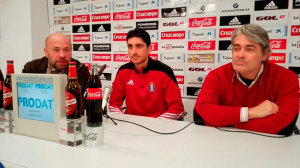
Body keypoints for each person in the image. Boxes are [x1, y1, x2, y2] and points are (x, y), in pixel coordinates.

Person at [194, 24, 299, 135]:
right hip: (224, 143)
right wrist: (250, 113)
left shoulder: (286, 78)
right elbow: (202, 114)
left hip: (267, 145)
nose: (240, 55)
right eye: (236, 48)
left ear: (265, 54)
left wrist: (229, 123)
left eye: (249, 49)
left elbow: (284, 125)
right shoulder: (216, 76)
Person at [109, 28, 185, 120]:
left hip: (157, 127)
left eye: (139, 46)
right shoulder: (123, 71)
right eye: (130, 47)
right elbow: (113, 104)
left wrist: (153, 124)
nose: (134, 52)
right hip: (131, 126)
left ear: (149, 49)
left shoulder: (164, 71)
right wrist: (123, 119)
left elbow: (177, 109)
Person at [22, 33, 89, 87]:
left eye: (66, 50)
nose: (62, 55)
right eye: (56, 50)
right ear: (46, 52)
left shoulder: (81, 70)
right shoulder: (31, 69)